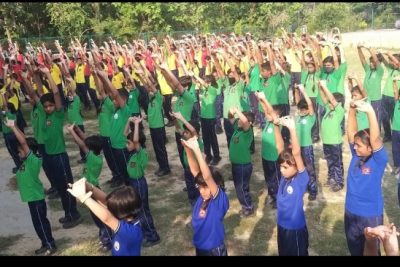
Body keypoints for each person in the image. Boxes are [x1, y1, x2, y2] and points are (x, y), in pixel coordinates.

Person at [5, 119, 57, 256]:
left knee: (41, 223)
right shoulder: (27, 160)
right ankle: (45, 243)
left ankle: (50, 245)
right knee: (37, 224)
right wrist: (15, 126)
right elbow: (24, 141)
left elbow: (23, 143)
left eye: (20, 151)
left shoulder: (33, 161)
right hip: (31, 199)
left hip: (36, 199)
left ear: (28, 151)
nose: (18, 153)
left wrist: (12, 128)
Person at [345, 99, 388, 256]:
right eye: (355, 145)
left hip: (370, 215)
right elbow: (351, 133)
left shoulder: (379, 160)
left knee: (371, 252)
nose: (354, 147)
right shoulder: (357, 155)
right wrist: (351, 109)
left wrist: (370, 111)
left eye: (359, 145)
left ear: (370, 148)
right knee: (354, 250)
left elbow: (375, 139)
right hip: (350, 212)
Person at [66, 124, 113, 251]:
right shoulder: (96, 155)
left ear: (90, 149)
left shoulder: (91, 157)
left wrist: (72, 132)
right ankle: (104, 237)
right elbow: (86, 141)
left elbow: (81, 143)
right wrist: (78, 130)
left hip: (92, 189)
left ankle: (107, 240)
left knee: (99, 217)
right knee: (96, 215)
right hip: (91, 188)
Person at [68, 179, 143, 256]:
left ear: (122, 212)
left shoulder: (132, 232)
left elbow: (107, 218)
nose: (108, 208)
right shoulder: (127, 217)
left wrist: (84, 198)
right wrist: (89, 187)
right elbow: (106, 201)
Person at [182, 136, 229, 256]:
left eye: (206, 187)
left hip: (214, 249)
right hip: (200, 246)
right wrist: (187, 149)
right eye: (200, 187)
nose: (202, 190)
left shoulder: (218, 200)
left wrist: (197, 150)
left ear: (216, 184)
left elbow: (207, 177)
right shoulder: (203, 198)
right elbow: (194, 170)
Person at [275, 116, 310, 256]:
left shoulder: (301, 179)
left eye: (285, 167)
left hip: (294, 230)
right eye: (281, 167)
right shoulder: (285, 177)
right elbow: (279, 146)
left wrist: (292, 129)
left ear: (296, 165)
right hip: (282, 226)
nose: (281, 170)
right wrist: (275, 125)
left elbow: (296, 152)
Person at [124, 116, 161, 247]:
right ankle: (146, 233)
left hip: (139, 183)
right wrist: (129, 121)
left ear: (136, 144)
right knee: (138, 210)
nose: (126, 144)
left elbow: (134, 139)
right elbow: (125, 135)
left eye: (128, 143)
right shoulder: (133, 153)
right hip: (133, 183)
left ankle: (153, 235)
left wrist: (138, 124)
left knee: (143, 210)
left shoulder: (141, 153)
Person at [228, 107, 255, 217]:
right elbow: (230, 118)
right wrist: (231, 111)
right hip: (236, 165)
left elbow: (244, 121)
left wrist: (238, 112)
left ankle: (248, 207)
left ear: (250, 123)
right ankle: (246, 203)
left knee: (241, 188)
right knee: (241, 186)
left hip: (243, 166)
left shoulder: (247, 132)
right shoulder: (237, 129)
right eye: (238, 119)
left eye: (241, 119)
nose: (238, 121)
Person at [294, 84, 317, 201]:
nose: (301, 111)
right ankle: (302, 188)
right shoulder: (298, 118)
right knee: (299, 169)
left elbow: (309, 104)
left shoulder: (310, 118)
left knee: (309, 169)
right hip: (297, 147)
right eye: (300, 109)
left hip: (306, 147)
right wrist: (296, 90)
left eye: (303, 109)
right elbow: (298, 101)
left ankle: (312, 190)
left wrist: (303, 90)